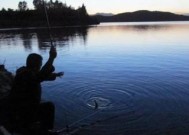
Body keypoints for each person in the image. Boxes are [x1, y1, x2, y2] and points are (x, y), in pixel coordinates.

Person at [7, 46, 63, 135]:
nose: (40, 66)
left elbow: (40, 76)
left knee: (43, 105)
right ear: (35, 65)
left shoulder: (24, 71)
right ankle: (45, 130)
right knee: (49, 106)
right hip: (21, 112)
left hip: (21, 109)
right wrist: (51, 58)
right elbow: (39, 76)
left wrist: (55, 75)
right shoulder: (26, 74)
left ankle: (33, 125)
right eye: (40, 65)